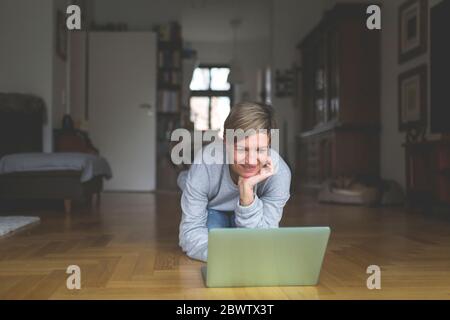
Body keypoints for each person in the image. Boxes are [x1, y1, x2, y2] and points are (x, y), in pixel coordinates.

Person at [178, 102, 291, 262]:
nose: (251, 161)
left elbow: (264, 239)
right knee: (215, 236)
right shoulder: (204, 163)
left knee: (235, 240)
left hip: (248, 210)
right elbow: (190, 232)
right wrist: (223, 256)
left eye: (260, 150)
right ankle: (185, 178)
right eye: (242, 149)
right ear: (226, 142)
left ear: (269, 143)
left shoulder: (280, 173)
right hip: (214, 207)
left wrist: (247, 195)